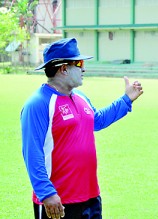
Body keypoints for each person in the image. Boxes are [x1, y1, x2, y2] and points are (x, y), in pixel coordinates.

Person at [21, 38, 143, 219]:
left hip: (91, 197)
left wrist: (126, 100)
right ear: (63, 68)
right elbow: (32, 152)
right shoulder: (38, 104)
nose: (83, 69)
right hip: (59, 200)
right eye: (79, 63)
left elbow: (97, 121)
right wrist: (46, 193)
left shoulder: (80, 97)